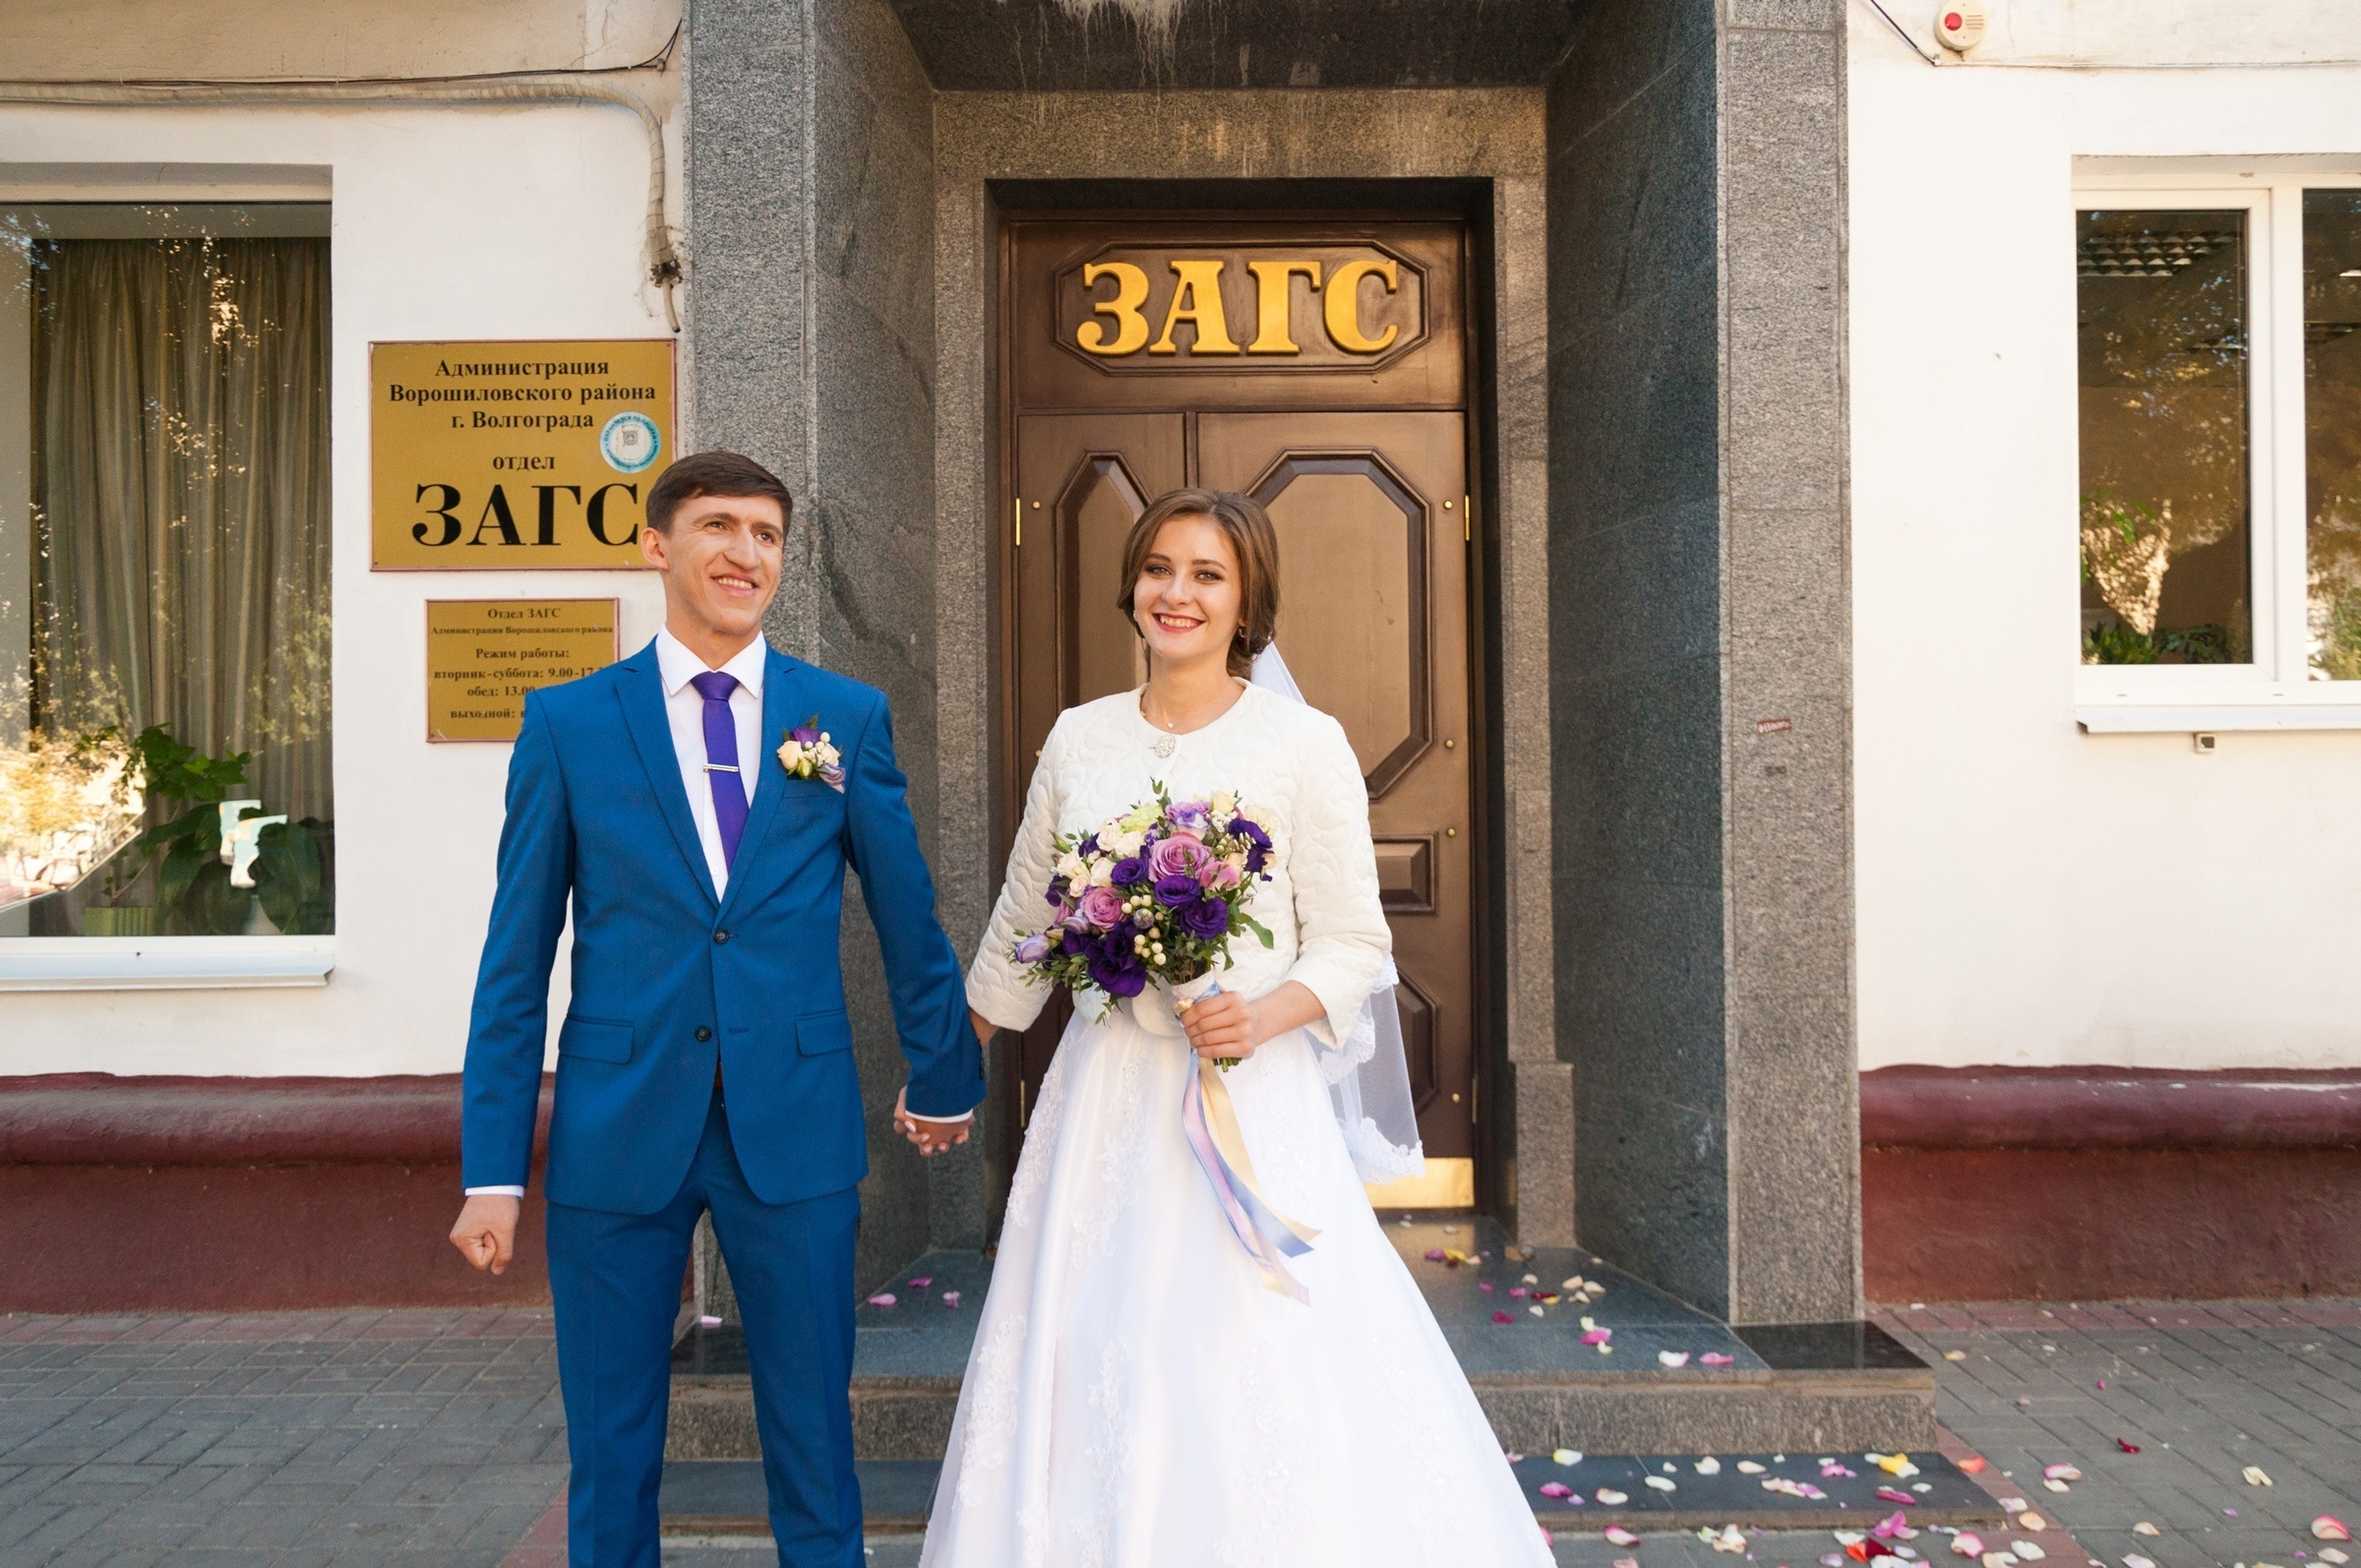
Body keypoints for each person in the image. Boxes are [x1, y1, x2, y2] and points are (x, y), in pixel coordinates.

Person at [924, 489, 1550, 1566]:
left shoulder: (1301, 744)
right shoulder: (1080, 739)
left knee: (1244, 1345)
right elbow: (1025, 922)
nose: (1178, 593)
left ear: (1248, 598)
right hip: (1106, 1099)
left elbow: (1354, 943)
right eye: (1159, 568)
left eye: (1207, 574)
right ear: (1131, 583)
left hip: (1249, 1103)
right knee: (1092, 1337)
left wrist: (1258, 1013)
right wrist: (947, 1067)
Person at [447, 450, 988, 1568]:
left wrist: (944, 1072)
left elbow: (906, 910)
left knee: (812, 1437)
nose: (746, 553)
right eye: (719, 527)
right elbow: (514, 961)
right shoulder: (569, 723)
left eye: (767, 536)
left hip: (792, 1128)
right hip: (616, 1129)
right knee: (611, 1447)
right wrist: (492, 1170)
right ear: (656, 544)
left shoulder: (842, 716)